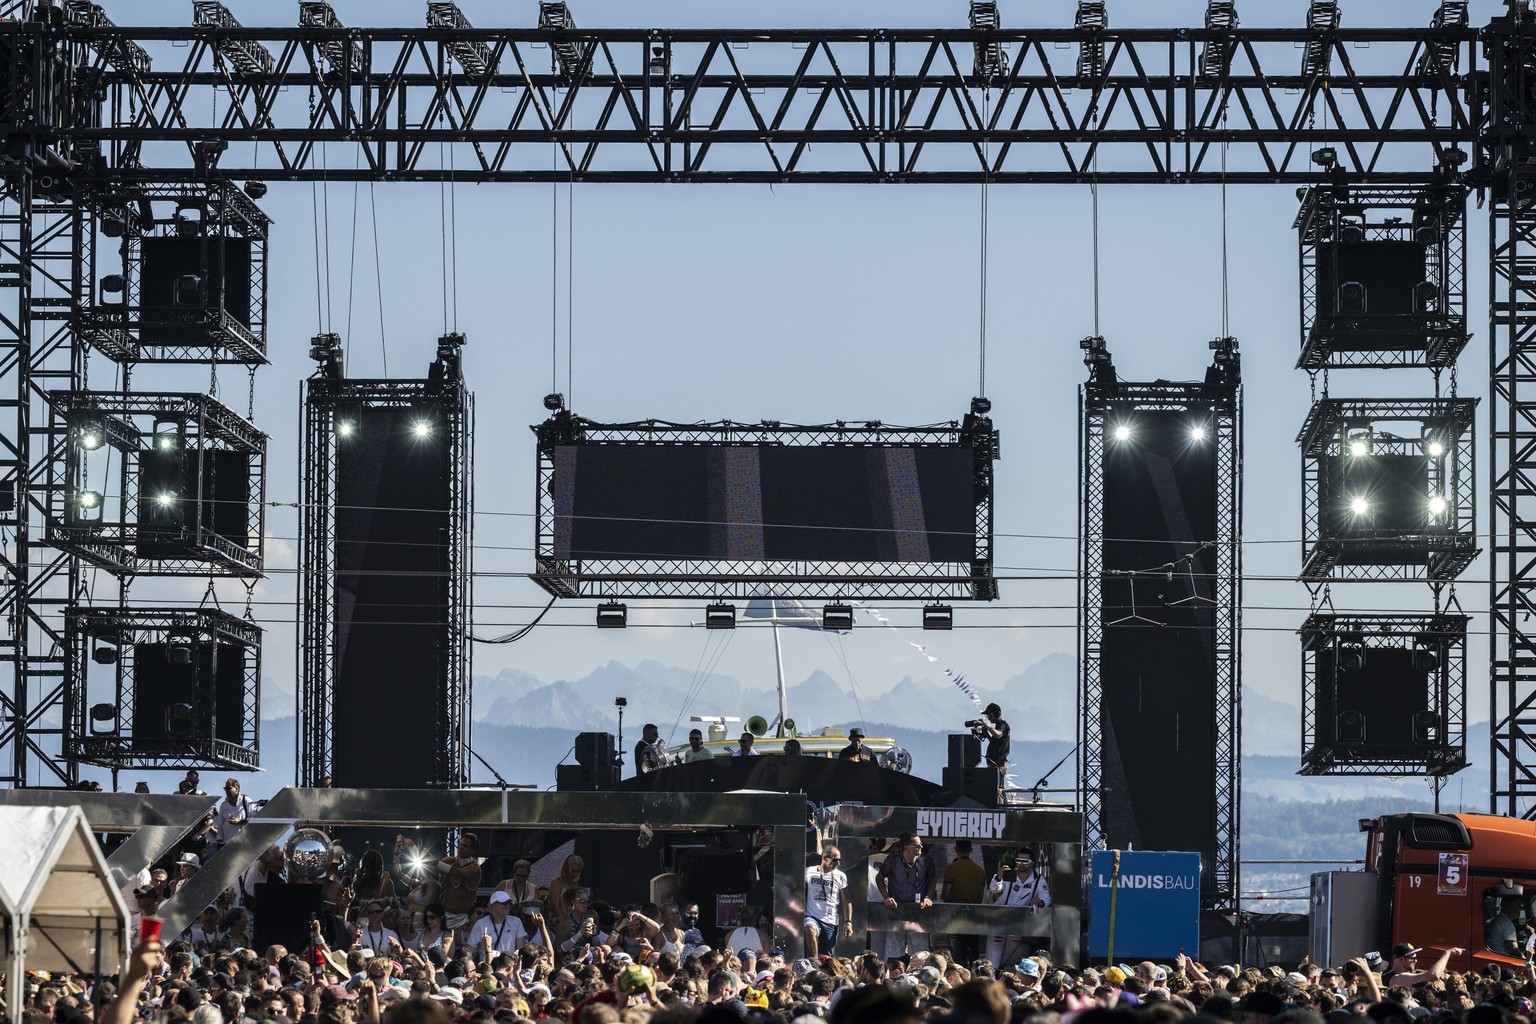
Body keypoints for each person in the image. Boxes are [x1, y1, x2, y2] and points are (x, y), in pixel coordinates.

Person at [984, 848, 1050, 967]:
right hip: (999, 918)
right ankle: (992, 974)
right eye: (1018, 860)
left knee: (1010, 952)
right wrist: (999, 877)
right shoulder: (1008, 874)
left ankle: (1002, 975)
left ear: (1031, 863)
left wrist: (1040, 902)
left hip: (1018, 922)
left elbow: (1046, 898)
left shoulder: (1038, 879)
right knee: (994, 952)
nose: (1021, 864)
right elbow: (994, 889)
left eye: (1025, 861)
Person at [873, 831, 935, 958]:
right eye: (917, 845)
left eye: (921, 845)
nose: (921, 848)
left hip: (918, 910)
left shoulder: (926, 860)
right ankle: (894, 975)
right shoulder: (893, 860)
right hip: (896, 910)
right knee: (894, 949)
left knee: (919, 950)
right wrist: (886, 897)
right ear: (906, 846)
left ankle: (920, 975)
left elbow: (932, 879)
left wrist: (928, 897)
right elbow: (879, 878)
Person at [941, 838, 987, 964]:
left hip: (956, 917)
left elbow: (945, 895)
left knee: (958, 955)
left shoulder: (952, 868)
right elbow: (979, 898)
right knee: (973, 953)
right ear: (971, 850)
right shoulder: (980, 871)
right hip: (974, 916)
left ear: (956, 850)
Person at [804, 846, 853, 958]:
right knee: (810, 928)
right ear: (825, 858)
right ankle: (814, 963)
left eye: (840, 860)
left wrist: (848, 922)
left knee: (826, 958)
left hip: (830, 920)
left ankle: (821, 968)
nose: (838, 863)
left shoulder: (840, 876)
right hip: (812, 916)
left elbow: (846, 899)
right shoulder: (809, 871)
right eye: (835, 860)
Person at [436, 832, 483, 933]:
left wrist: (435, 863)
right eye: (460, 844)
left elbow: (457, 873)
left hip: (461, 919)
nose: (461, 847)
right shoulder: (449, 860)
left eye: (465, 846)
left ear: (473, 850)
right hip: (443, 915)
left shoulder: (475, 869)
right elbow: (433, 869)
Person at [466, 891, 528, 962]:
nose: (508, 906)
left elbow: (520, 948)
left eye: (509, 903)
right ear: (493, 906)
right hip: (488, 967)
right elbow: (470, 949)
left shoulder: (516, 921)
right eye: (504, 903)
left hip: (509, 966)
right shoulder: (480, 924)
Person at [1383, 941, 1462, 986]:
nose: (1416, 961)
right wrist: (1447, 954)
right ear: (1402, 959)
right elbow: (1432, 975)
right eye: (1413, 958)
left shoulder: (1387, 975)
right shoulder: (1397, 978)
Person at [214, 778, 253, 848]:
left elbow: (254, 820)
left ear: (237, 788)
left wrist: (240, 822)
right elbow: (220, 823)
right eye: (225, 789)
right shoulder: (224, 805)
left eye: (229, 788)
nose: (227, 791)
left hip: (243, 843)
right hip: (226, 843)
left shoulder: (246, 801)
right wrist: (219, 839)